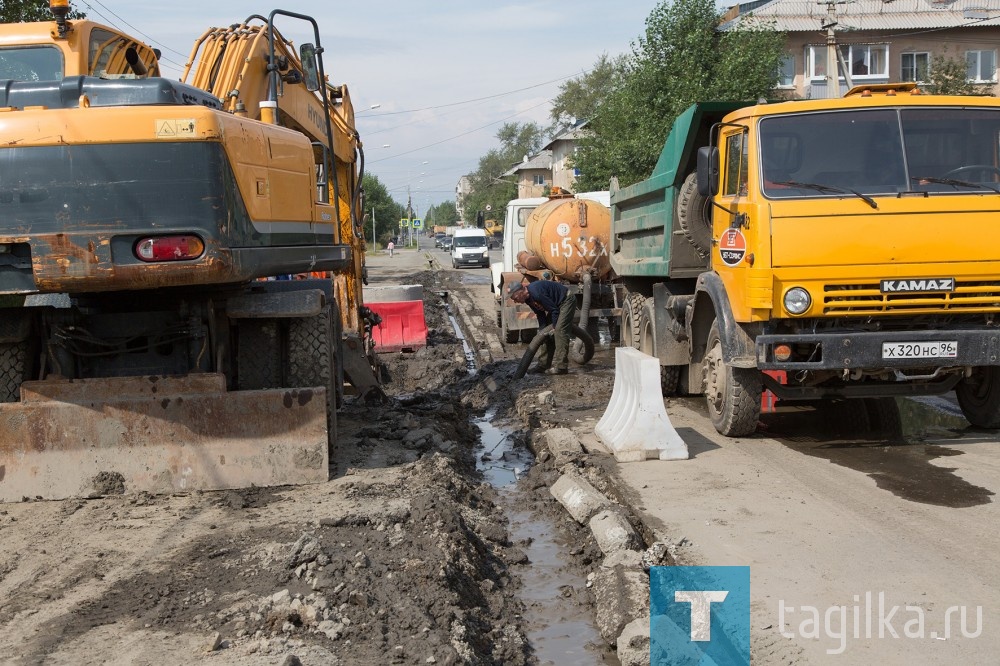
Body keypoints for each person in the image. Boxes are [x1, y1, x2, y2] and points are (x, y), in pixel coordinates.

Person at [509, 280, 576, 375]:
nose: (516, 301)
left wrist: (554, 326)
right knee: (546, 335)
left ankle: (561, 367)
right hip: (556, 306)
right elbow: (540, 313)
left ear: (521, 291)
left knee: (559, 331)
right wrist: (542, 330)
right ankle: (543, 365)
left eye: (515, 298)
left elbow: (554, 310)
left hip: (566, 301)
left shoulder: (536, 292)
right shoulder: (528, 299)